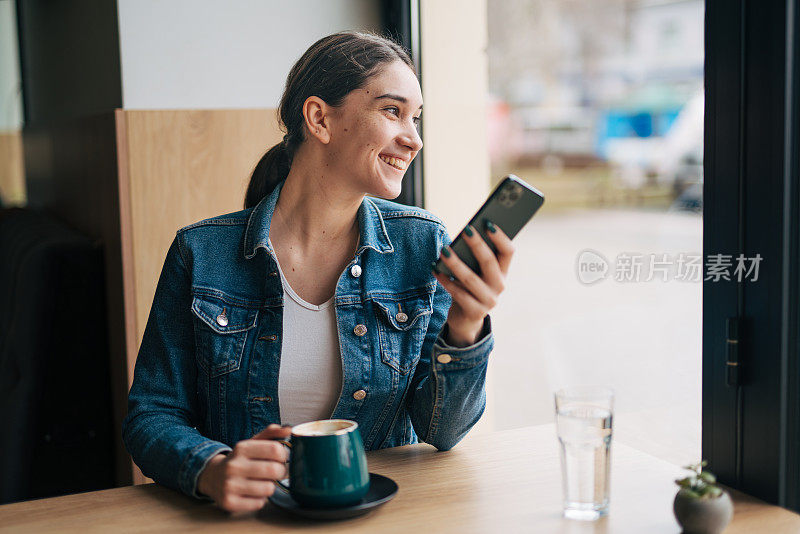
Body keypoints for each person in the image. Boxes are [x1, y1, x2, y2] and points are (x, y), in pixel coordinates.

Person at [122, 31, 515, 513]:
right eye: (392, 111)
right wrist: (211, 467)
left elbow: (444, 431)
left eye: (416, 118)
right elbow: (152, 414)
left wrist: (465, 327)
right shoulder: (201, 252)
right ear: (319, 119)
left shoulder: (421, 244)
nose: (413, 138)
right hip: (250, 520)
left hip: (381, 518)